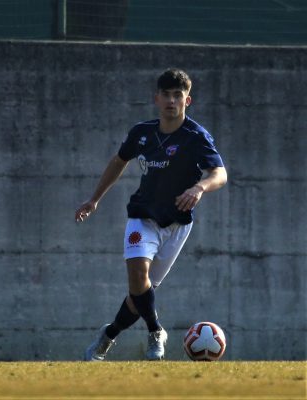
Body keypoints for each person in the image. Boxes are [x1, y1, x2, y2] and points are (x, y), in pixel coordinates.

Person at [76, 69, 227, 361]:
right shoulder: (141, 133)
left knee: (139, 295)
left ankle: (108, 336)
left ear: (187, 100)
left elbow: (219, 174)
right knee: (137, 274)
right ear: (156, 98)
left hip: (177, 224)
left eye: (178, 96)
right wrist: (94, 199)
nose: (171, 101)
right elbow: (119, 161)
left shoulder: (196, 137)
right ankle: (156, 331)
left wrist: (199, 188)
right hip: (142, 216)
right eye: (166, 95)